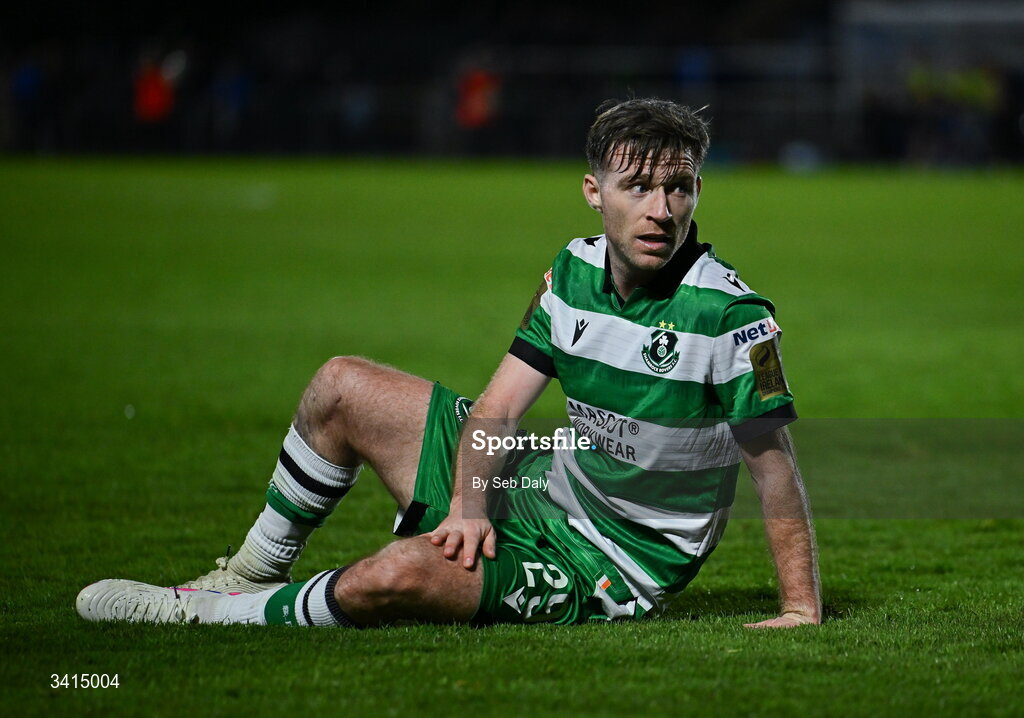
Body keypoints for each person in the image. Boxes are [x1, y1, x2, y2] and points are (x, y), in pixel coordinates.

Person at [76, 98, 821, 629]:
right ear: (595, 193)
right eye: (639, 187)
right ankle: (250, 571)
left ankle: (203, 615)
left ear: (696, 190)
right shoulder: (571, 274)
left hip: (609, 565)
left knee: (394, 574)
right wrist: (471, 508)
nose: (661, 208)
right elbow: (497, 412)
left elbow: (774, 467)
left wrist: (799, 609)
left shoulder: (733, 320)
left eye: (678, 187)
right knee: (341, 386)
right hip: (545, 481)